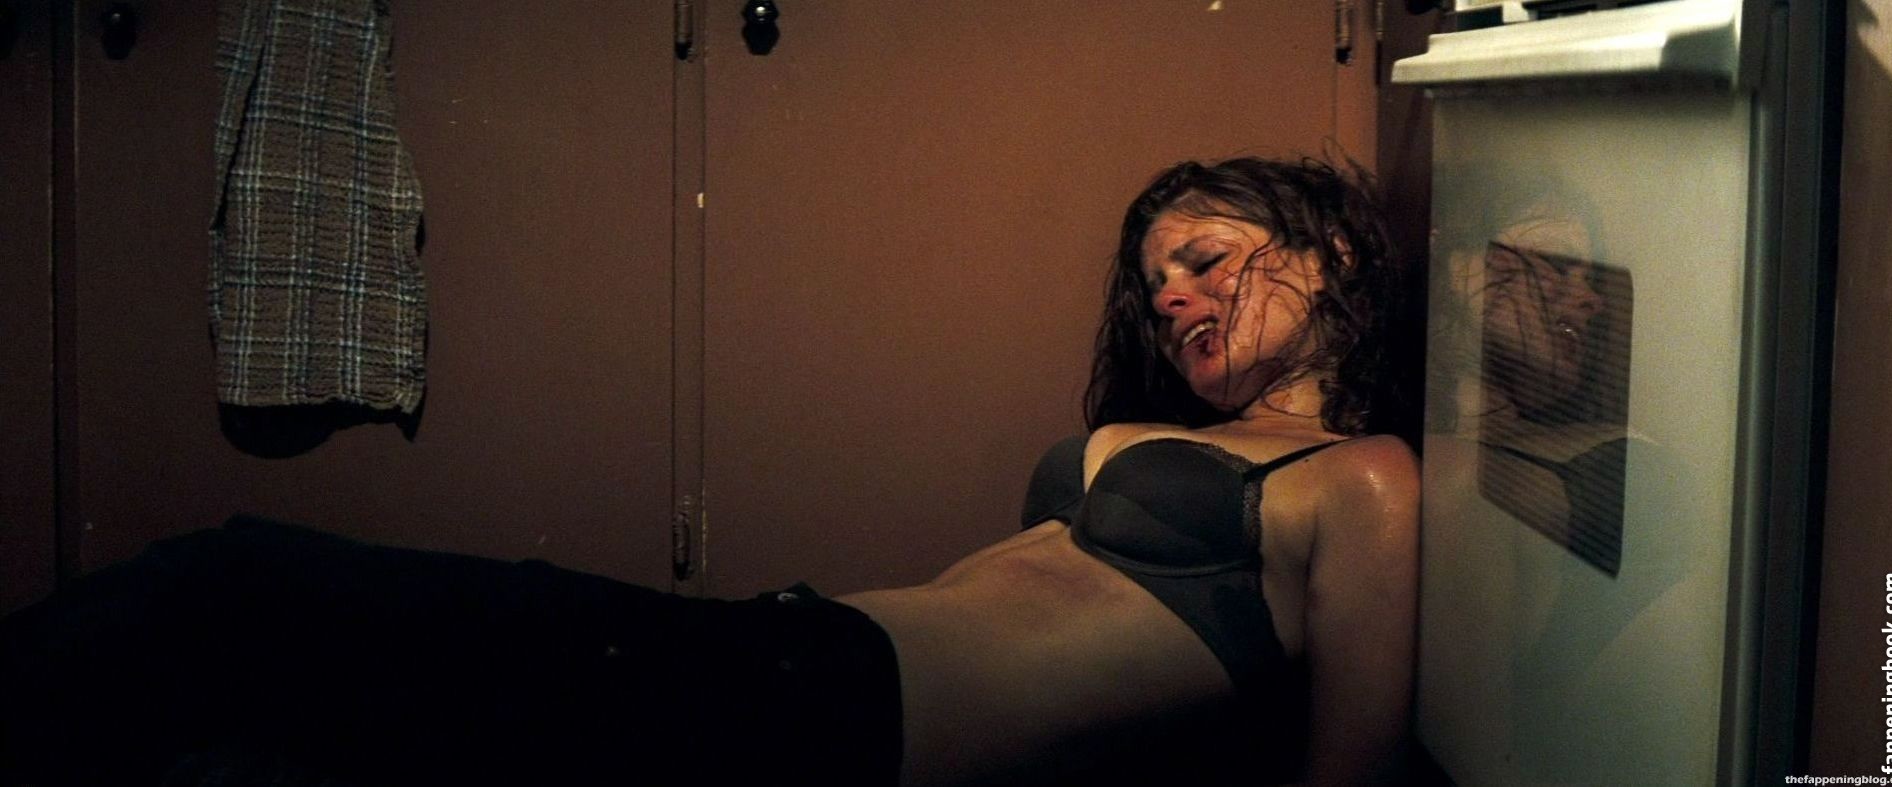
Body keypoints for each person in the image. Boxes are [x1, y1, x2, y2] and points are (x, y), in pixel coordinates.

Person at [0, 156, 1418, 787]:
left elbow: (1338, 772)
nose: (1171, 299)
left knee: (235, 592)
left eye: (1205, 260)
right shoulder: (1201, 447)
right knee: (253, 709)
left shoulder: (1360, 481)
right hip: (799, 665)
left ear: (1336, 252)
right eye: (1155, 285)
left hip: (832, 717)